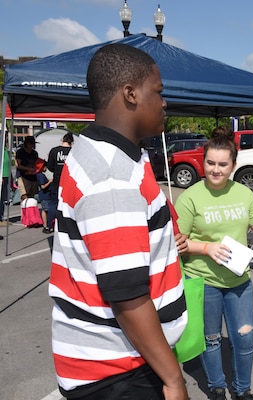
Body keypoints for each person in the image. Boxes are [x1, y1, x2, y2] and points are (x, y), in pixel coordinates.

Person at [48, 43, 188, 400]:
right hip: (119, 373)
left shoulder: (106, 153)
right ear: (130, 93)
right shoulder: (112, 175)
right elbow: (126, 294)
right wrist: (174, 379)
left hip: (117, 364)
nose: (164, 102)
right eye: (158, 92)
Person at [175, 129, 253, 400]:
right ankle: (217, 387)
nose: (216, 170)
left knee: (244, 339)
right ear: (203, 162)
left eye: (222, 164)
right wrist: (206, 247)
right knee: (211, 339)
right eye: (210, 163)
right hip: (203, 281)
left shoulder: (243, 193)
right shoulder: (190, 197)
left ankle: (242, 391)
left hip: (239, 281)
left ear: (233, 166)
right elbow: (178, 242)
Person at [46, 131, 74, 231]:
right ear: (72, 142)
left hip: (57, 180)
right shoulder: (74, 151)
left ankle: (49, 225)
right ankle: (67, 227)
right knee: (69, 205)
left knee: (53, 203)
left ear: (62, 140)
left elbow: (50, 167)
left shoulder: (54, 151)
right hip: (70, 182)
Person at [15, 135, 39, 200]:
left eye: (32, 144)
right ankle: (24, 208)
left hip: (33, 176)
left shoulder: (34, 153)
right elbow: (18, 165)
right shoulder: (20, 152)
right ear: (26, 144)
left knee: (32, 196)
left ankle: (30, 209)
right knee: (24, 195)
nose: (31, 146)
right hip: (23, 176)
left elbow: (36, 163)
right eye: (30, 144)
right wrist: (29, 169)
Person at [36, 160, 54, 233]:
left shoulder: (40, 175)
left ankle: (46, 225)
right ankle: (45, 225)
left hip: (46, 194)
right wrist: (49, 182)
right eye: (45, 166)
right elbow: (43, 186)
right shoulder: (41, 175)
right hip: (44, 195)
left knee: (46, 209)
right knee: (45, 209)